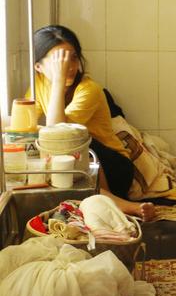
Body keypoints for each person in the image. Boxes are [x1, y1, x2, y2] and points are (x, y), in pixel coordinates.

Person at [31, 25, 155, 221]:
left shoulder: (89, 89)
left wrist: (58, 80)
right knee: (58, 155)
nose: (69, 66)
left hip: (113, 167)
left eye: (73, 58)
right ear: (38, 67)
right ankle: (104, 205)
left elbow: (59, 132)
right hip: (82, 166)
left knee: (74, 143)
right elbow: (26, 122)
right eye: (59, 61)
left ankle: (125, 206)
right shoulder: (39, 84)